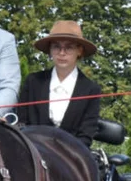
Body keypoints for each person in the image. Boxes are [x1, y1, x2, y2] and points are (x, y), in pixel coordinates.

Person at [18, 19, 101, 147]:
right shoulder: (34, 82)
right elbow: (21, 124)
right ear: (50, 50)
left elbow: (86, 136)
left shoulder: (91, 89)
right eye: (56, 46)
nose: (62, 53)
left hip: (72, 158)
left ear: (79, 51)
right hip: (33, 155)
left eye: (69, 47)